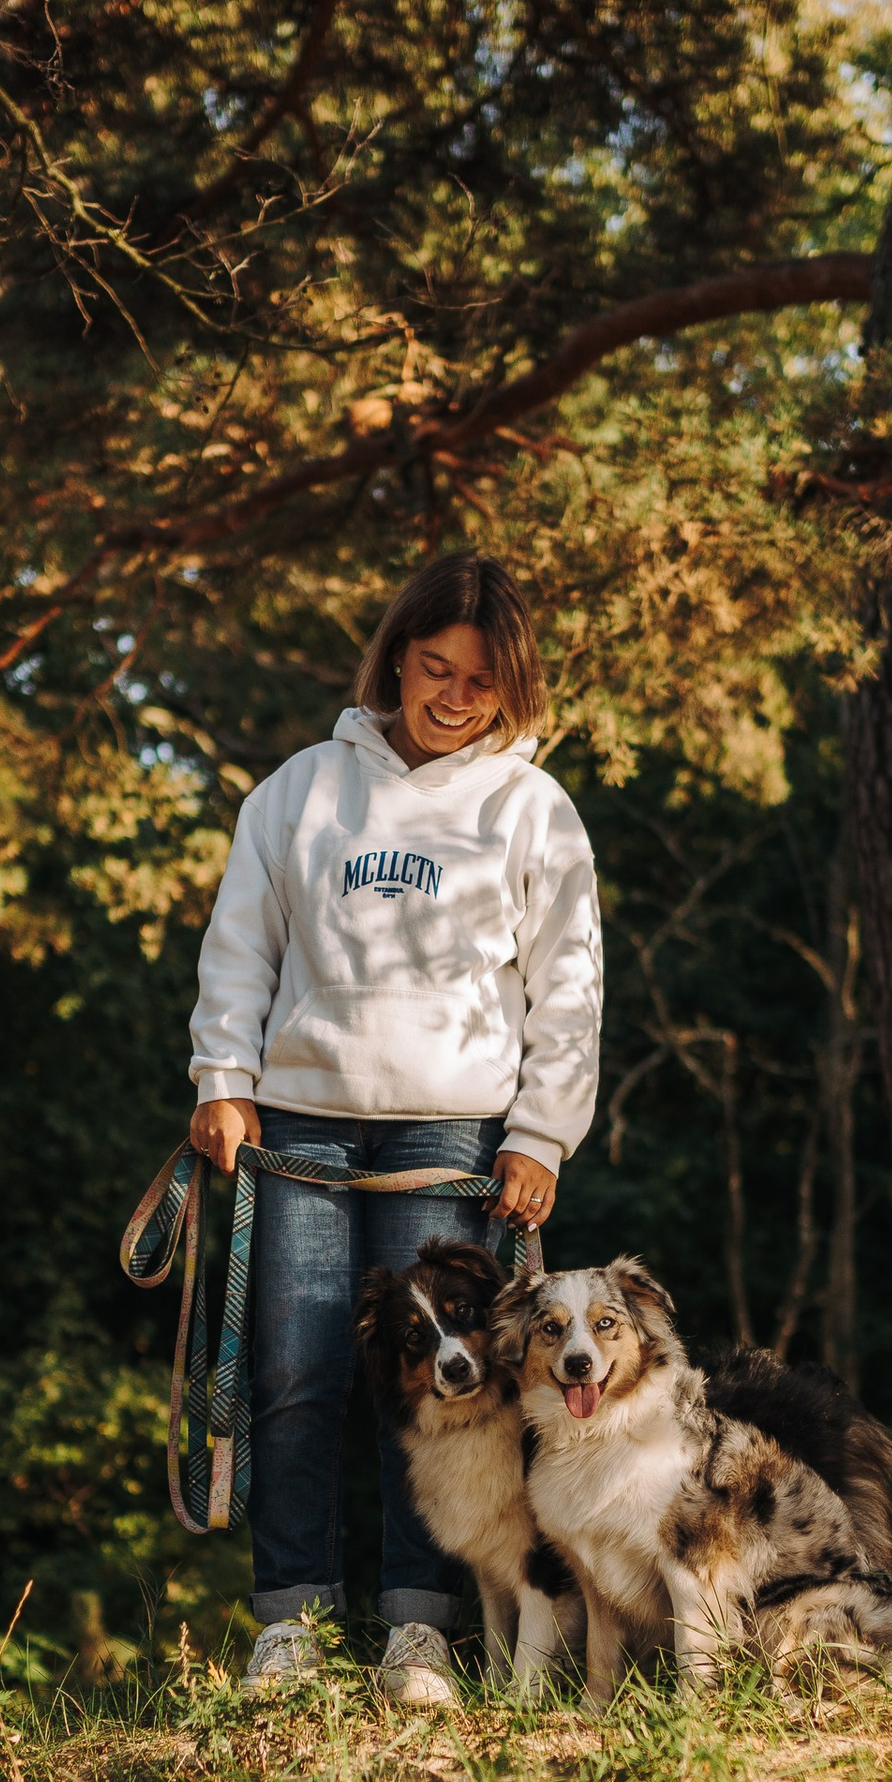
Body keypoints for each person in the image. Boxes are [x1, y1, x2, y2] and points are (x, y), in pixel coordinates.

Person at [187, 555, 603, 1707]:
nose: (454, 696)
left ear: (509, 685)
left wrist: (541, 1133)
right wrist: (222, 1076)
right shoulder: (302, 790)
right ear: (396, 661)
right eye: (434, 668)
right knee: (293, 1373)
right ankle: (292, 1626)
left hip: (451, 1133)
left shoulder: (530, 809)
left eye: (480, 679)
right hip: (300, 1125)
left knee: (443, 1389)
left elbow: (568, 987)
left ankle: (417, 1632)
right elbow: (240, 944)